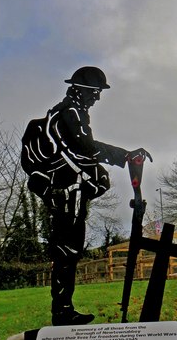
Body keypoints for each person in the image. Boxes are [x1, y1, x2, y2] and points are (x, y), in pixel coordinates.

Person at [22, 66, 151, 326]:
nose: (97, 97)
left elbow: (85, 152)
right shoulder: (70, 113)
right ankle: (62, 311)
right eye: (95, 91)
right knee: (67, 250)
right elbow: (86, 149)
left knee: (68, 250)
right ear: (81, 90)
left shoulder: (67, 111)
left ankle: (63, 310)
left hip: (70, 190)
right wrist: (124, 155)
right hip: (67, 191)